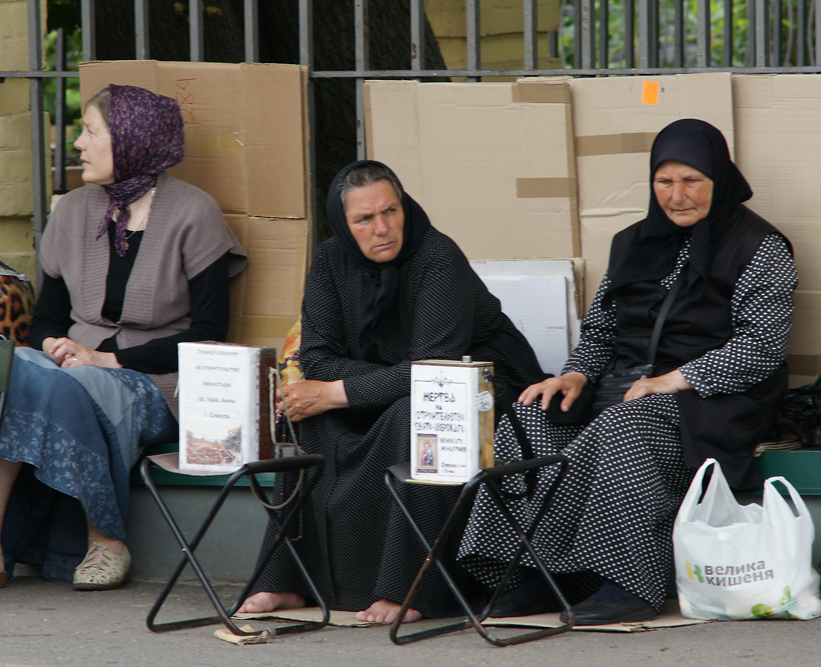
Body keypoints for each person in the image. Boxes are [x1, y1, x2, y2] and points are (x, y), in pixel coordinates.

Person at [457, 118, 797, 625]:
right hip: (621, 389)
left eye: (692, 181)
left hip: (711, 402)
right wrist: (573, 376)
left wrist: (673, 380)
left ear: (719, 179)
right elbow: (598, 334)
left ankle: (627, 581)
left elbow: (761, 346)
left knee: (623, 427)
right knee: (529, 413)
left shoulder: (760, 247)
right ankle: (527, 575)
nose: (677, 195)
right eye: (665, 182)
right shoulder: (632, 241)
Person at [0, 84, 246, 592]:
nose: (78, 143)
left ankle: (93, 538)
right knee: (19, 371)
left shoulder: (194, 213)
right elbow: (47, 317)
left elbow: (209, 334)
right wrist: (56, 346)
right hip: (71, 368)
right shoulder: (72, 210)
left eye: (91, 132)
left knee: (56, 386)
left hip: (155, 380)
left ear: (133, 140)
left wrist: (107, 359)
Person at [239, 160, 546, 623]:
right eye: (364, 219)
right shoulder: (329, 260)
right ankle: (288, 581)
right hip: (391, 385)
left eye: (391, 211)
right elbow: (317, 357)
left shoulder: (438, 257)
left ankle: (411, 588)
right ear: (343, 225)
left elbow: (434, 370)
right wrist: (354, 387)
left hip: (480, 390)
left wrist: (344, 390)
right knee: (306, 412)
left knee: (415, 412)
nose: (382, 228)